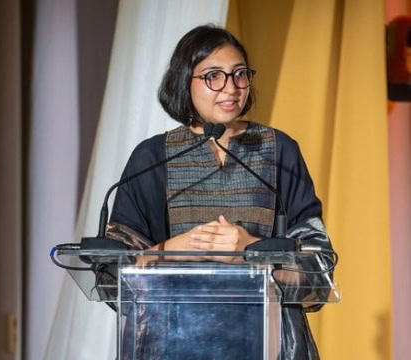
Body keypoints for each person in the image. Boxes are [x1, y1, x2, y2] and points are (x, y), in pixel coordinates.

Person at [107, 24, 334, 360]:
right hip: (172, 342)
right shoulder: (152, 158)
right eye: (214, 76)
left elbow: (319, 272)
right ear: (185, 81)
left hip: (271, 345)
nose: (231, 88)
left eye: (240, 74)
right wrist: (173, 250)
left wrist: (250, 250)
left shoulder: (279, 151)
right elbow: (113, 279)